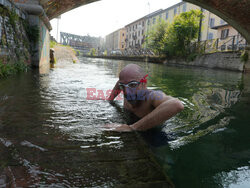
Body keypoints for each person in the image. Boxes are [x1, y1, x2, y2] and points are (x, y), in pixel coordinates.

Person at [106, 64, 184, 132]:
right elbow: (119, 82)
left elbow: (177, 104)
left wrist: (132, 128)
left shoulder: (152, 96)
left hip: (153, 132)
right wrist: (110, 99)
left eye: (132, 85)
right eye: (122, 86)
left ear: (144, 83)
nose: (126, 92)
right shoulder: (127, 88)